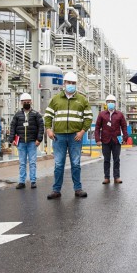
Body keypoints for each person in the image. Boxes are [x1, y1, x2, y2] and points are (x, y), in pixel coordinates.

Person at [44, 71, 93, 199]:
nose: (71, 85)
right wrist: (48, 129)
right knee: (59, 164)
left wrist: (82, 132)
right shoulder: (55, 99)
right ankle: (56, 190)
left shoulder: (82, 100)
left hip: (75, 136)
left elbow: (89, 117)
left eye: (73, 83)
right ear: (64, 84)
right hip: (58, 136)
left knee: (75, 164)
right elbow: (48, 115)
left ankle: (78, 189)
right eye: (69, 82)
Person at [10, 93, 44, 189]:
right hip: (21, 142)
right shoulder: (17, 115)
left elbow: (41, 127)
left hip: (32, 142)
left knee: (32, 162)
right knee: (22, 163)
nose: (26, 103)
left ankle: (33, 181)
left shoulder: (36, 114)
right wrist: (12, 139)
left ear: (31, 102)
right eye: (24, 102)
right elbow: (13, 127)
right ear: (21, 103)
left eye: (28, 102)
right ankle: (22, 181)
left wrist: (39, 139)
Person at [94, 94, 129, 185]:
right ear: (106, 103)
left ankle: (117, 177)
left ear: (115, 103)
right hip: (105, 140)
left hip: (117, 140)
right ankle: (106, 177)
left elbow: (124, 126)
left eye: (112, 102)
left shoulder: (119, 114)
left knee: (116, 159)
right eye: (109, 102)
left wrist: (125, 138)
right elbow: (97, 127)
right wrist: (98, 139)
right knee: (106, 159)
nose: (110, 103)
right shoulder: (102, 114)